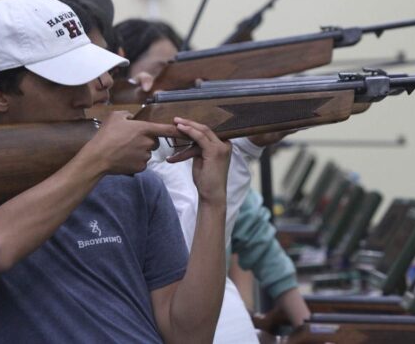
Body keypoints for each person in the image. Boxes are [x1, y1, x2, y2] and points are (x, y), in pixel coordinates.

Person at [0, 0, 231, 343]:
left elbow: (189, 336)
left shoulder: (134, 182)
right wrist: (98, 159)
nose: (96, 88)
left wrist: (212, 201)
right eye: (65, 77)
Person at [114, 18, 311, 333]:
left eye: (178, 72)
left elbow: (249, 230)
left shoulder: (190, 154)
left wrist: (245, 149)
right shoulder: (132, 166)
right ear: (123, 80)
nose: (175, 84)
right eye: (158, 71)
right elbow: (187, 250)